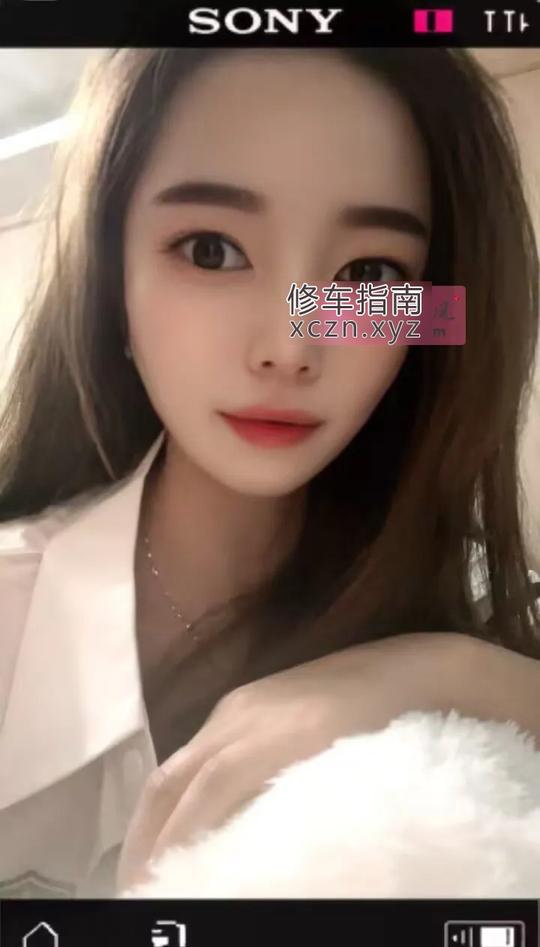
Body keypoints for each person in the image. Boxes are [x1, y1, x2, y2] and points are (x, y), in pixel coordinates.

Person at [0, 47, 539, 899]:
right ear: (112, 285)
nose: (291, 347)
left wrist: (448, 672)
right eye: (211, 250)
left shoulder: (473, 599)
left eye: (368, 274)